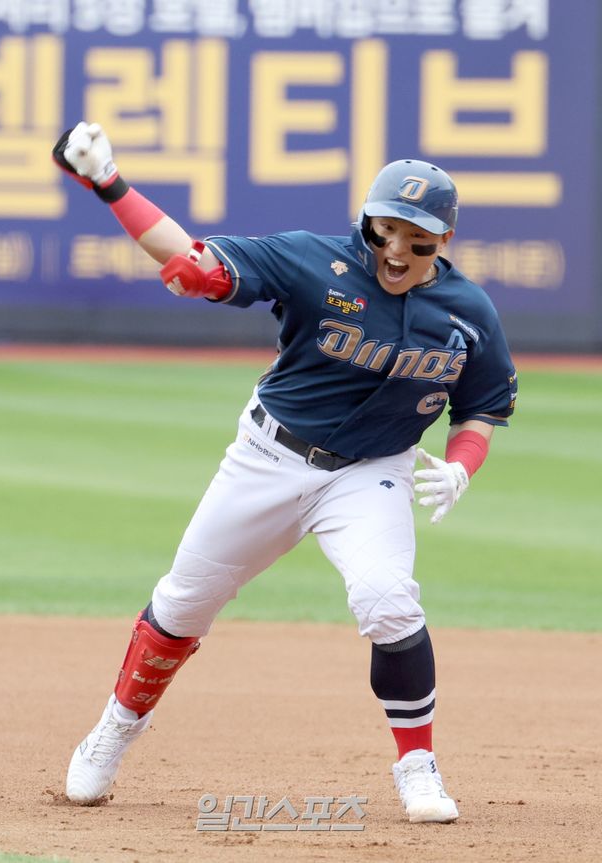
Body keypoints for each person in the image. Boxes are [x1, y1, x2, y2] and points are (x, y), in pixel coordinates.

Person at [52, 122, 516, 823]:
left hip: (370, 474)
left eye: (416, 237)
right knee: (182, 605)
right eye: (385, 229)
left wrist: (461, 466)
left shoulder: (468, 313)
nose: (396, 249)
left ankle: (417, 764)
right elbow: (196, 266)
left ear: (444, 239)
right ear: (364, 220)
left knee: (389, 600)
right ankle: (116, 727)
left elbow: (481, 407)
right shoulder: (310, 261)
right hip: (267, 459)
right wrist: (108, 182)